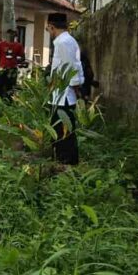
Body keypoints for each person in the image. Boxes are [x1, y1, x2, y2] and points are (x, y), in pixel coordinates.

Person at [47, 13, 84, 165]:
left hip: (64, 97)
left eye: (48, 29)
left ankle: (66, 163)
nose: (48, 32)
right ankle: (62, 161)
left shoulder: (63, 42)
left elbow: (72, 68)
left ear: (52, 26)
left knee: (64, 133)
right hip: (59, 95)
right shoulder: (65, 41)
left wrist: (76, 90)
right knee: (59, 132)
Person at [0, 29, 25, 98]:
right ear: (7, 34)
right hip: (2, 68)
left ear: (15, 35)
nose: (11, 35)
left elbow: (22, 57)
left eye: (13, 33)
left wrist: (16, 61)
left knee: (10, 88)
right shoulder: (1, 44)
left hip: (12, 69)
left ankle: (9, 104)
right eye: (9, 33)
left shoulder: (19, 45)